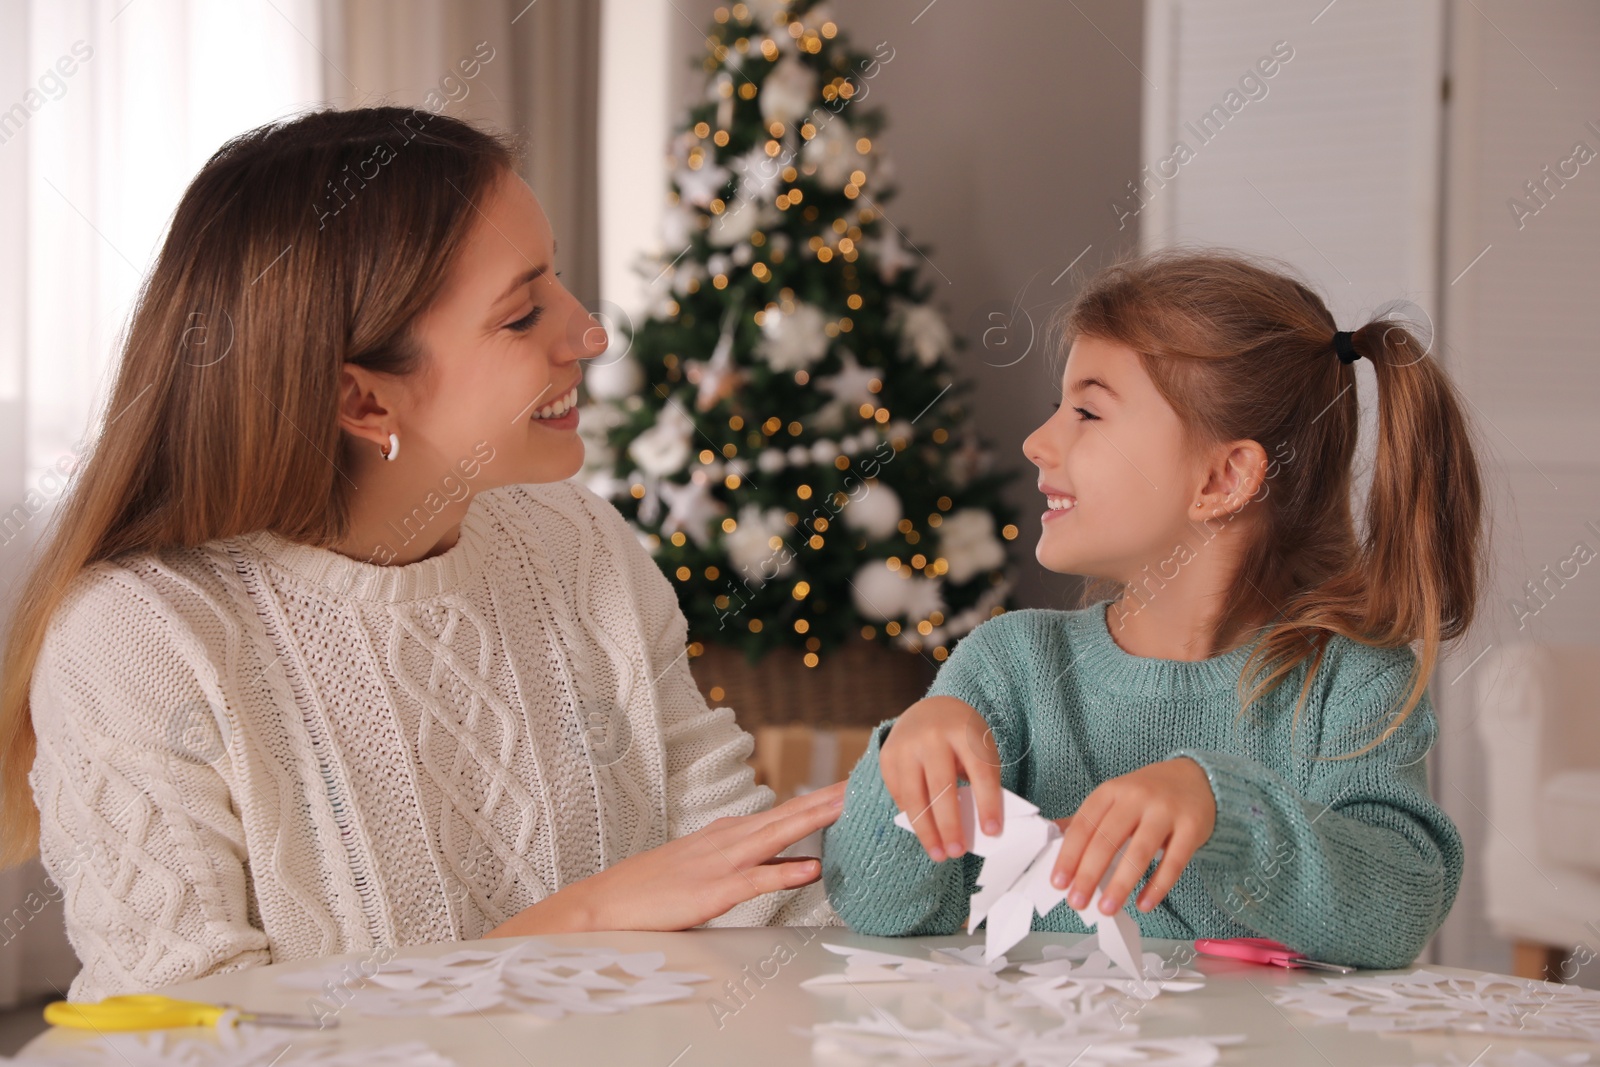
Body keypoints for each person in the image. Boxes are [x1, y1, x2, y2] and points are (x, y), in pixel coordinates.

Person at [0, 107, 841, 1002]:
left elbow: (757, 888)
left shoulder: (576, 540)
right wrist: (577, 924)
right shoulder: (139, 641)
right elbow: (183, 1032)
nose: (591, 333)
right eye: (522, 315)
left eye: (557, 278)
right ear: (362, 402)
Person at [821, 249, 1484, 970]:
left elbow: (1402, 910)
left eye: (1086, 411)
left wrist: (1227, 811)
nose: (1039, 443)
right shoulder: (1008, 668)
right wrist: (908, 761)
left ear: (1223, 478)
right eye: (1056, 408)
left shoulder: (1350, 680)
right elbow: (878, 907)